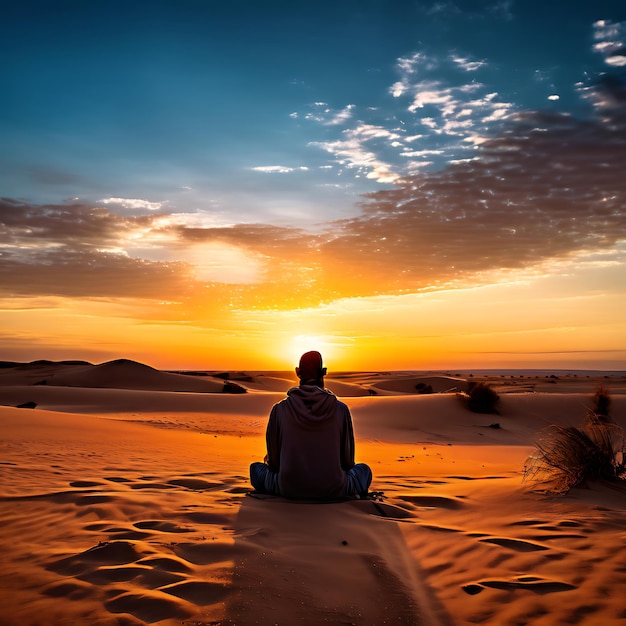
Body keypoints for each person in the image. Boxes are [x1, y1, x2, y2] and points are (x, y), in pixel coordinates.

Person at [249, 351, 372, 499]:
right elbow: (348, 462)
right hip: (335, 489)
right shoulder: (341, 409)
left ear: (298, 372)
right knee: (364, 470)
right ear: (323, 373)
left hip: (287, 488)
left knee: (255, 469)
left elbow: (274, 463)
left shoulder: (279, 410)